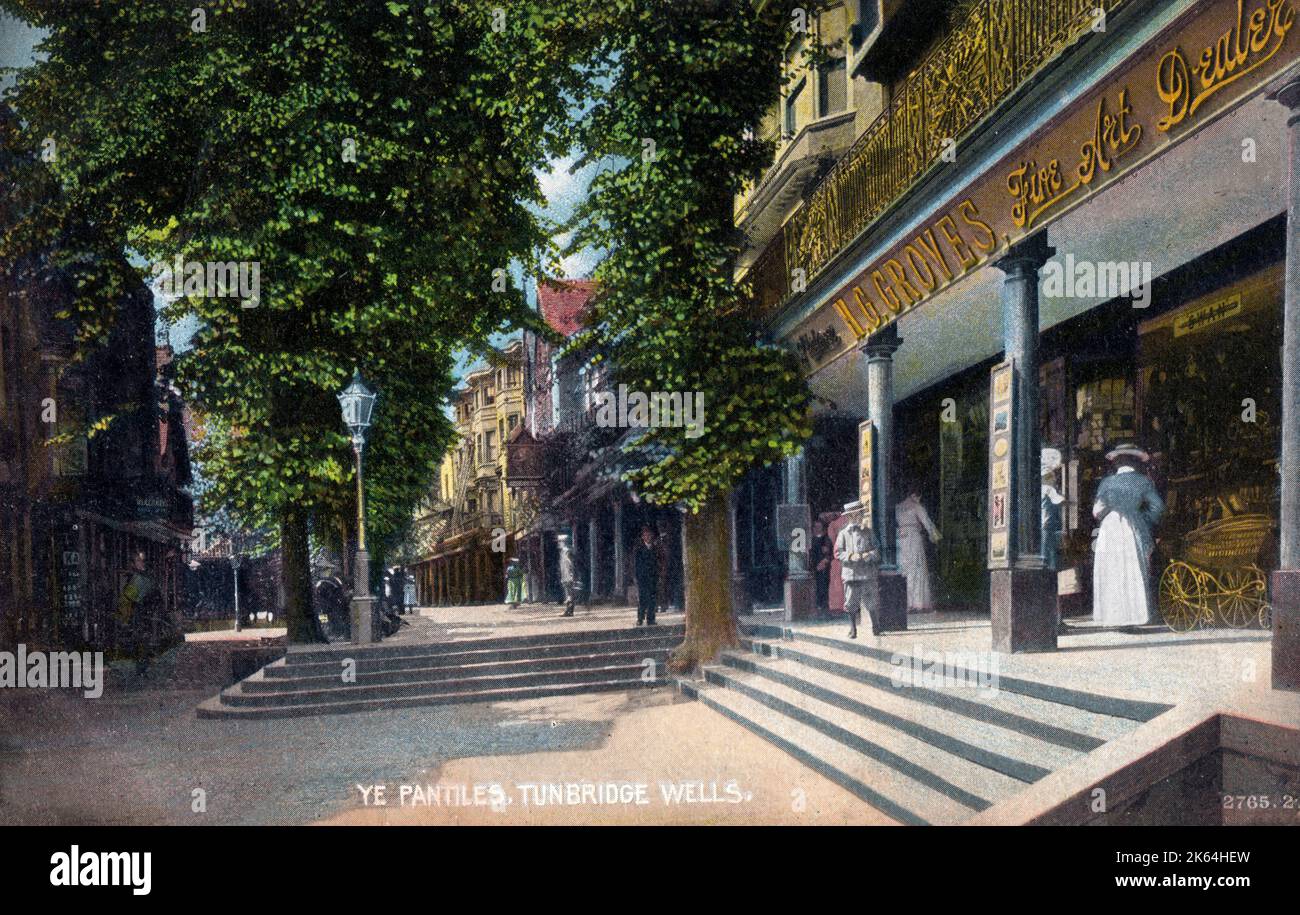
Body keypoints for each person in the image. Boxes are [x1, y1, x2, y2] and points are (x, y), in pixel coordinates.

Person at [1092, 443, 1165, 626]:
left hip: (1110, 529)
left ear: (1116, 463)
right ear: (1135, 462)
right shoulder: (1144, 481)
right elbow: (1158, 508)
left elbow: (1097, 511)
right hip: (1133, 527)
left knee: (1112, 570)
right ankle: (1135, 616)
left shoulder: (1106, 483)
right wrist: (1143, 519)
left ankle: (1114, 617)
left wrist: (1111, 511)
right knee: (1133, 569)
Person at [834, 502, 880, 639]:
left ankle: (875, 626)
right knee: (851, 603)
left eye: (860, 514)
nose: (859, 517)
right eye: (856, 515)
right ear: (849, 516)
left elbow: (877, 551)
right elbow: (837, 553)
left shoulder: (868, 532)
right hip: (851, 574)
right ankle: (853, 628)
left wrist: (869, 555)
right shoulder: (843, 534)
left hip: (867, 574)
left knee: (871, 601)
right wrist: (850, 556)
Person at [895, 488, 941, 612]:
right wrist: (936, 537)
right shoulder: (917, 506)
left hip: (900, 539)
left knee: (904, 570)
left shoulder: (898, 507)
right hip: (913, 539)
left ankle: (906, 603)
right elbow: (927, 523)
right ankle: (917, 603)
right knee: (917, 569)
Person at [116, 550, 157, 676]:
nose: (142, 563)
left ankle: (142, 666)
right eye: (138, 560)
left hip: (144, 613)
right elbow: (127, 597)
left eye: (143, 560)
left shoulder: (145, 576)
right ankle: (140, 666)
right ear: (133, 563)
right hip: (135, 613)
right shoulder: (131, 577)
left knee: (143, 640)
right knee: (139, 640)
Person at [633, 526, 659, 627]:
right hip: (642, 577)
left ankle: (651, 619)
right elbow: (636, 564)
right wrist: (636, 576)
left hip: (652, 577)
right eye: (646, 535)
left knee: (652, 599)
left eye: (649, 535)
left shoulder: (655, 548)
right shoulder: (638, 548)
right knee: (642, 599)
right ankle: (640, 619)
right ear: (643, 537)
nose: (648, 537)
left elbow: (657, 562)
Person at [812, 519, 832, 614]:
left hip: (823, 567)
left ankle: (823, 604)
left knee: (823, 586)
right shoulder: (811, 539)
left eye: (819, 527)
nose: (817, 529)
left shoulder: (826, 539)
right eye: (815, 527)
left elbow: (829, 553)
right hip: (813, 566)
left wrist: (824, 562)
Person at [558, 534, 580, 617]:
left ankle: (569, 611)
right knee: (568, 594)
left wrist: (572, 575)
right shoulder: (564, 551)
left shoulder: (567, 551)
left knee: (569, 594)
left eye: (560, 541)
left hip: (568, 576)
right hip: (566, 576)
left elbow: (571, 565)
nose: (559, 543)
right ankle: (569, 610)